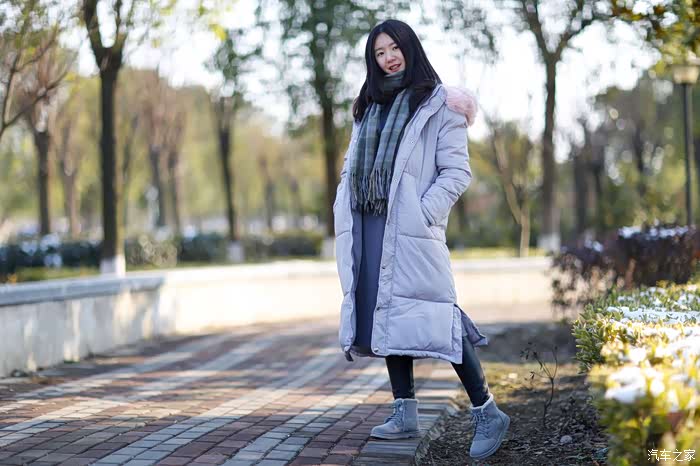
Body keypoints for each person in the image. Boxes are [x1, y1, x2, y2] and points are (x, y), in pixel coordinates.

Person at [332, 19, 510, 460]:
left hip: (411, 227)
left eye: (394, 48)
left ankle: (487, 411)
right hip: (370, 223)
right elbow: (352, 165)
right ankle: (404, 410)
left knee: (438, 313)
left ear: (410, 48)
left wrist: (423, 213)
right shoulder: (367, 106)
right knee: (387, 313)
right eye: (379, 52)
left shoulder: (440, 104)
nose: (388, 58)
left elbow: (457, 172)